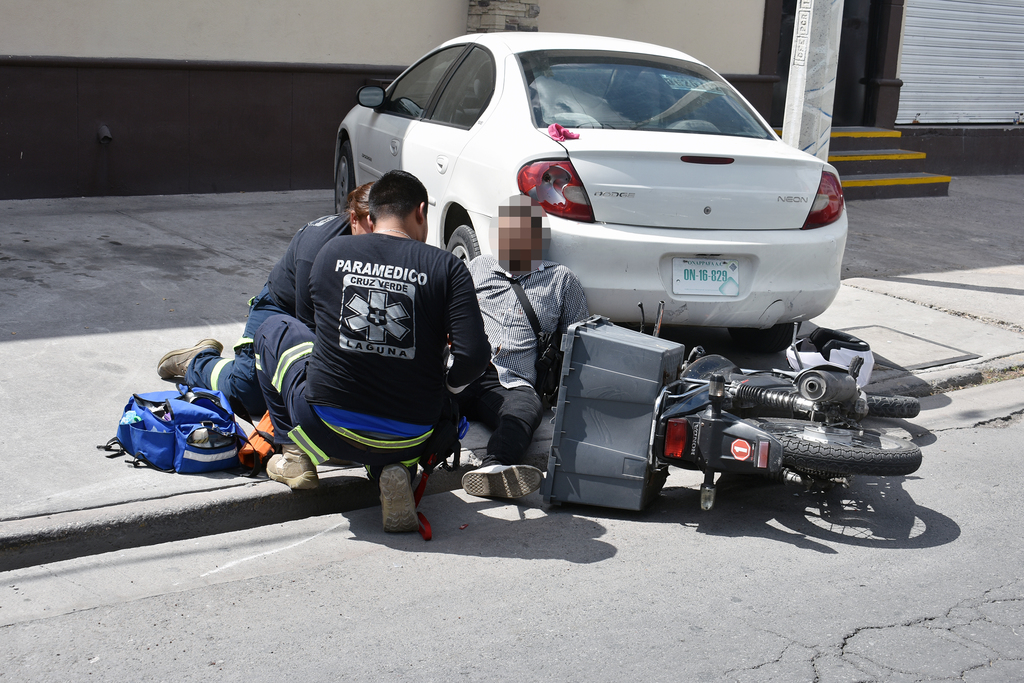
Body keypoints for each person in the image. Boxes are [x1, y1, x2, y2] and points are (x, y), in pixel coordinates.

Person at [255, 170, 490, 532]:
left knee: (275, 328)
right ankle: (394, 469)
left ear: (372, 213)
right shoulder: (446, 267)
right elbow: (473, 357)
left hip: (325, 427)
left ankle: (294, 454)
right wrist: (447, 387)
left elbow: (313, 331)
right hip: (413, 436)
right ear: (421, 212)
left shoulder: (331, 252)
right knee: (398, 405)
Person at [155, 183, 374, 421]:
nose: (383, 236)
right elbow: (308, 333)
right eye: (373, 225)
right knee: (248, 392)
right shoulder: (316, 249)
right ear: (354, 218)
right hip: (282, 309)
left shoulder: (391, 237)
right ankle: (198, 362)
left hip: (341, 314)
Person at [458, 195, 589, 499]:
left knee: (523, 413)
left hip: (514, 382)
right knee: (428, 401)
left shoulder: (561, 280)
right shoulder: (478, 267)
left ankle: (495, 468)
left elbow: (579, 345)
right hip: (465, 371)